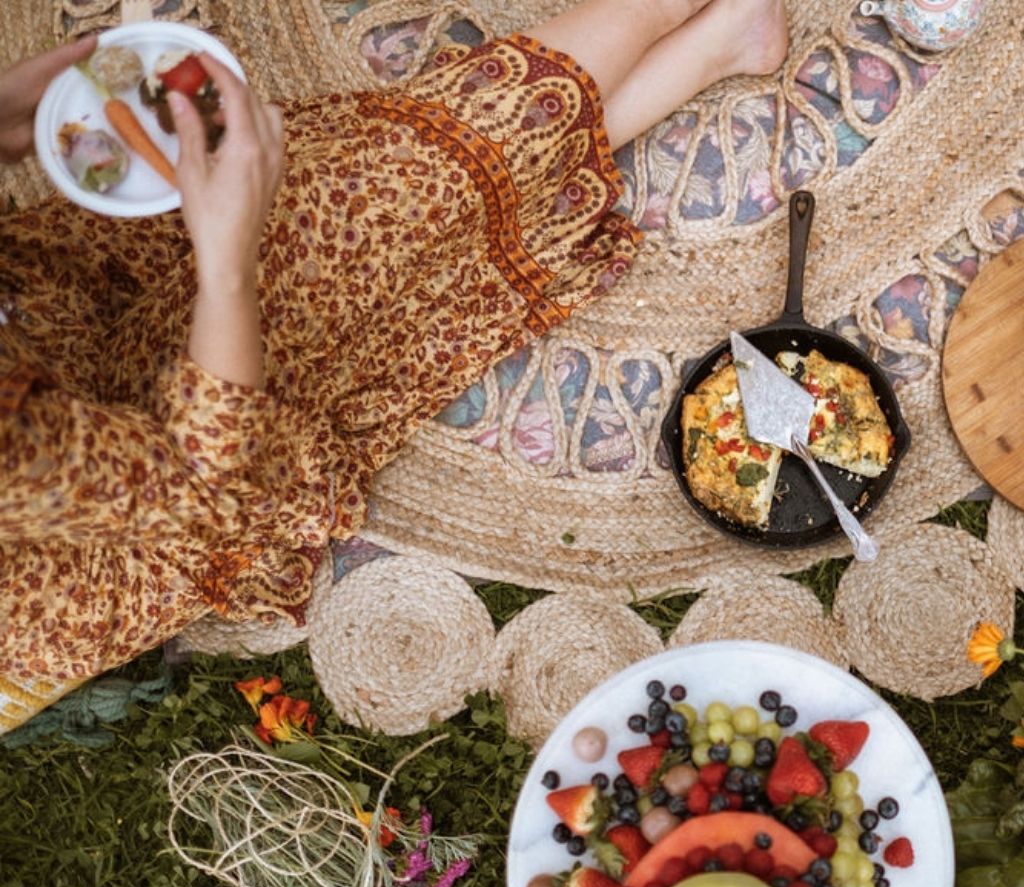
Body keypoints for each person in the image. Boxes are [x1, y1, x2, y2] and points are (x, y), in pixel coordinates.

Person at [0, 0, 788, 732]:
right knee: (348, 217)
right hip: (135, 514)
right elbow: (204, 474)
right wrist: (227, 260)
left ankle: (719, 43)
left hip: (54, 326)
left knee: (371, 206)